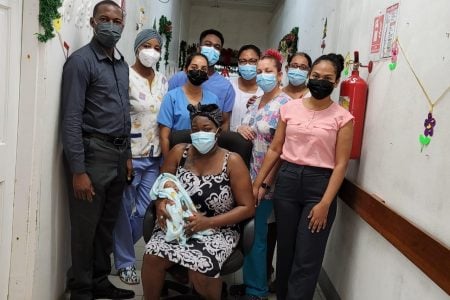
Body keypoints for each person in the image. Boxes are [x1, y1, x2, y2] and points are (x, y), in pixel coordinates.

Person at [253, 53, 354, 300]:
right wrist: (259, 183)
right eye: (316, 76)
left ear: (336, 81)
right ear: (309, 77)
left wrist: (325, 203)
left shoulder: (343, 118)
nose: (320, 81)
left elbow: (341, 165)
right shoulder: (289, 109)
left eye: (327, 78)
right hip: (287, 181)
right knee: (286, 251)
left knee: (307, 256)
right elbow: (276, 149)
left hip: (319, 186)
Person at [142, 104, 255, 300]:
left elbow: (248, 208)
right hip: (179, 224)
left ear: (218, 131)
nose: (199, 134)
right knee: (152, 255)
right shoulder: (179, 152)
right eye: (195, 130)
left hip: (218, 229)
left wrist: (208, 222)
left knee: (201, 266)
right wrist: (160, 201)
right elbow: (163, 182)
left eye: (206, 129)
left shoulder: (233, 161)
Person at [60, 1, 135, 299]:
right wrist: (78, 170)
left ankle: (101, 281)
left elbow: (124, 114)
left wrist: (127, 155)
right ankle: (81, 288)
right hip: (92, 155)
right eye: (104, 19)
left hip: (117, 156)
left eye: (117, 21)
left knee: (107, 224)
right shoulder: (81, 62)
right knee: (85, 227)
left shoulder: (121, 64)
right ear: (92, 23)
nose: (111, 26)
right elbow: (71, 118)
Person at [112, 29, 168, 285]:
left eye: (157, 47)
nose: (152, 51)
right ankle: (125, 262)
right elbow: (119, 116)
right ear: (136, 48)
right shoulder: (124, 74)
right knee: (124, 209)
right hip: (130, 155)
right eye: (147, 45)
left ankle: (117, 245)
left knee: (146, 210)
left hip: (155, 155)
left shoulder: (163, 80)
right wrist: (124, 154)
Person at [236, 49, 291, 300]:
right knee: (248, 232)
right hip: (245, 178)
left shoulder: (287, 106)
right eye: (259, 72)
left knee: (257, 235)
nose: (262, 76)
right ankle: (250, 282)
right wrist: (241, 126)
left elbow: (283, 148)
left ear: (280, 75)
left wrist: (266, 182)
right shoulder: (257, 101)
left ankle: (256, 290)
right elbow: (248, 129)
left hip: (265, 181)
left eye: (268, 71)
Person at [168, 29, 235, 131]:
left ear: (220, 53)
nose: (212, 49)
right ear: (199, 48)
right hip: (177, 141)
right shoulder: (178, 79)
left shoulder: (226, 87)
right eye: (208, 44)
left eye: (217, 47)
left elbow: (224, 123)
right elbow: (166, 118)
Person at [158, 53, 219, 158]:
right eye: (194, 67)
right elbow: (164, 137)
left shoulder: (213, 99)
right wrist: (169, 164)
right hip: (177, 156)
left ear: (207, 74)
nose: (199, 71)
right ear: (186, 70)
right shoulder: (171, 97)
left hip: (205, 157)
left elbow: (216, 133)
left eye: (203, 69)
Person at [229, 44, 264, 131]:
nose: (247, 65)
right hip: (229, 140)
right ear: (238, 63)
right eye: (243, 61)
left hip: (256, 141)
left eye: (252, 61)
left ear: (260, 62)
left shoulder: (265, 90)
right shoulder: (229, 85)